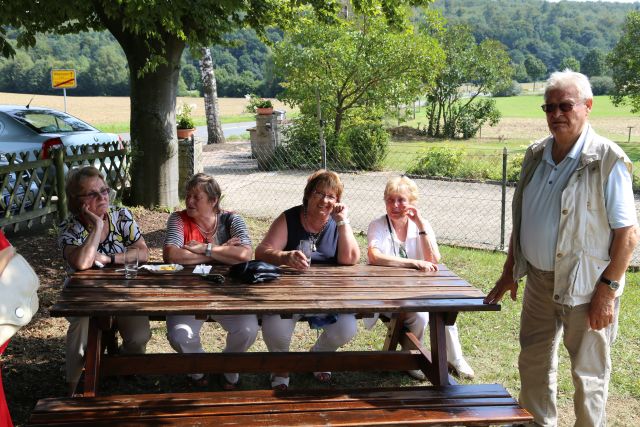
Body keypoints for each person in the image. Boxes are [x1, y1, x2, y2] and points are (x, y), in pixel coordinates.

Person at [484, 70, 639, 427]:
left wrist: (608, 290)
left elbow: (628, 235)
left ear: (587, 106)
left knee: (588, 374)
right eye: (549, 106)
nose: (556, 114)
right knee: (533, 361)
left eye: (565, 105)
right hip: (538, 281)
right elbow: (523, 218)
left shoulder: (606, 160)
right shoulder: (537, 153)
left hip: (587, 287)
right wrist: (510, 270)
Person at [255, 169, 360, 390]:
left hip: (327, 295)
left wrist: (343, 222)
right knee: (276, 328)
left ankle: (319, 356)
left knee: (346, 327)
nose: (324, 200)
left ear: (338, 201)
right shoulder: (290, 217)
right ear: (308, 195)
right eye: (319, 193)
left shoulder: (337, 222)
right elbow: (262, 251)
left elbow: (350, 259)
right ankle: (280, 367)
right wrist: (284, 256)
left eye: (331, 196)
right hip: (288, 295)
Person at [366, 176, 474, 380]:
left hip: (419, 291)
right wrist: (414, 263)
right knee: (422, 315)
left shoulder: (421, 225)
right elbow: (374, 256)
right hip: (388, 294)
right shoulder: (378, 225)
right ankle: (415, 357)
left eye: (401, 200)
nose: (395, 205)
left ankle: (455, 358)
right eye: (390, 200)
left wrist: (421, 224)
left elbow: (434, 259)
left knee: (446, 307)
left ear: (412, 203)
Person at [58, 166, 151, 396]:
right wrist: (97, 226)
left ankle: (123, 368)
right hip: (83, 299)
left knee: (139, 337)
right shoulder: (70, 228)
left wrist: (110, 258)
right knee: (80, 329)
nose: (102, 197)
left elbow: (143, 253)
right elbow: (81, 262)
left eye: (104, 190)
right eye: (92, 194)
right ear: (77, 201)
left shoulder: (122, 216)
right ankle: (72, 388)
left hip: (124, 295)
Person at [163, 173, 255, 390]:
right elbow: (172, 256)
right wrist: (221, 254)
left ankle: (228, 367)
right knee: (179, 335)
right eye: (188, 195)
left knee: (248, 330)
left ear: (213, 201)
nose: (189, 201)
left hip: (229, 296)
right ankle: (199, 368)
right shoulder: (178, 219)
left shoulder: (232, 219)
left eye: (196, 197)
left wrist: (204, 248)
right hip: (187, 294)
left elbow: (245, 254)